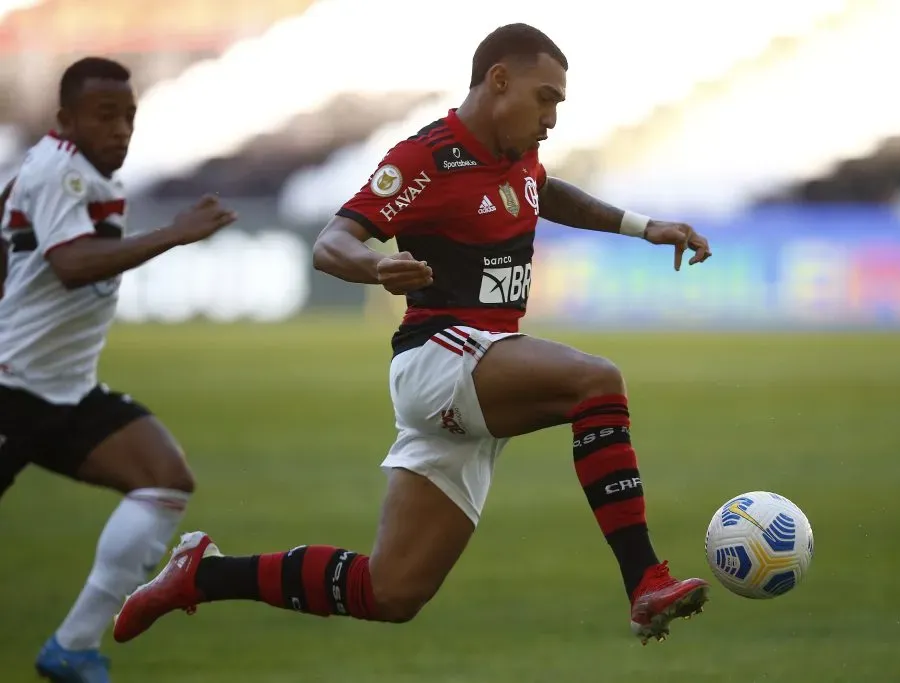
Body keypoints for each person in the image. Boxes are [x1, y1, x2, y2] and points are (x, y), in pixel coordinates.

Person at [113, 23, 712, 648]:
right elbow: (331, 243)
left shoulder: (516, 154)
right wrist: (377, 266)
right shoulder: (423, 158)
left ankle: (202, 576)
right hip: (440, 358)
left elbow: (543, 194)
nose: (552, 118)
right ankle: (644, 580)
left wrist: (645, 227)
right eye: (546, 97)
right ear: (499, 81)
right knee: (596, 383)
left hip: (477, 376)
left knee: (390, 592)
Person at [0, 57, 237, 682]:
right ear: (65, 119)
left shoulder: (75, 171)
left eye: (129, 115)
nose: (121, 128)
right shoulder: (60, 169)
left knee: (165, 477)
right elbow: (73, 264)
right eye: (105, 115)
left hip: (63, 391)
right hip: (11, 387)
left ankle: (73, 647)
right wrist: (175, 234)